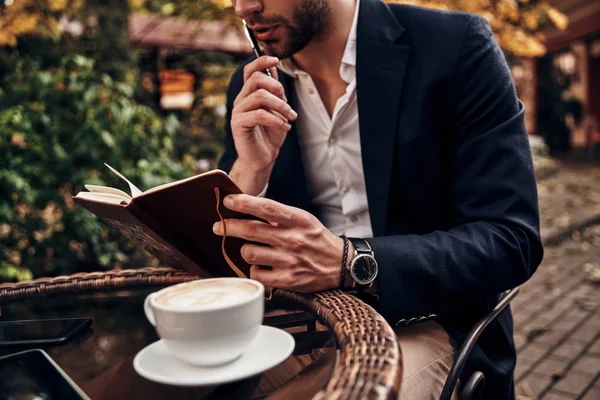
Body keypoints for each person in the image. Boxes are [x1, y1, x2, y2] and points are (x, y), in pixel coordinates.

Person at [215, 0, 544, 398]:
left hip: (432, 322)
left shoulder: (455, 47)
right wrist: (250, 173)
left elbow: (510, 240)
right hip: (296, 320)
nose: (243, 7)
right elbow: (227, 256)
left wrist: (350, 261)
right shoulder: (252, 85)